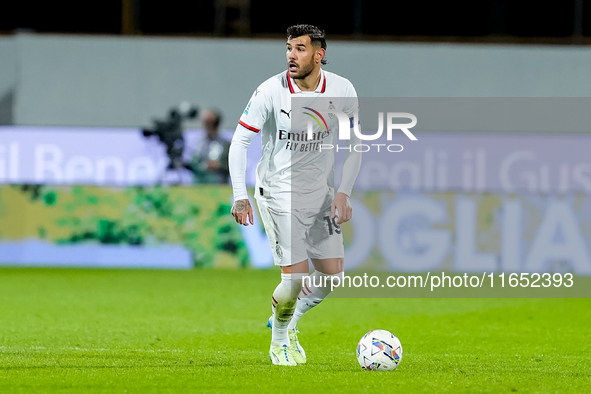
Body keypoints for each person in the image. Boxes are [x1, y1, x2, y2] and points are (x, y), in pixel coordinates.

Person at [228, 24, 362, 366]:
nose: (291, 54)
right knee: (295, 277)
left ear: (319, 54)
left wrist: (343, 193)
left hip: (319, 196)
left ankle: (288, 318)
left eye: (300, 48)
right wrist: (239, 195)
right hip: (278, 193)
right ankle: (279, 342)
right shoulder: (270, 90)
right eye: (289, 47)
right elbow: (241, 141)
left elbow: (355, 147)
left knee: (332, 276)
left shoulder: (343, 89)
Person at [189, 109, 230, 184]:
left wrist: (219, 165)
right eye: (206, 123)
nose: (208, 126)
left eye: (212, 123)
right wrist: (206, 165)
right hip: (199, 185)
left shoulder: (226, 145)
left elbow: (232, 166)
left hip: (220, 186)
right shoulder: (198, 143)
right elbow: (192, 164)